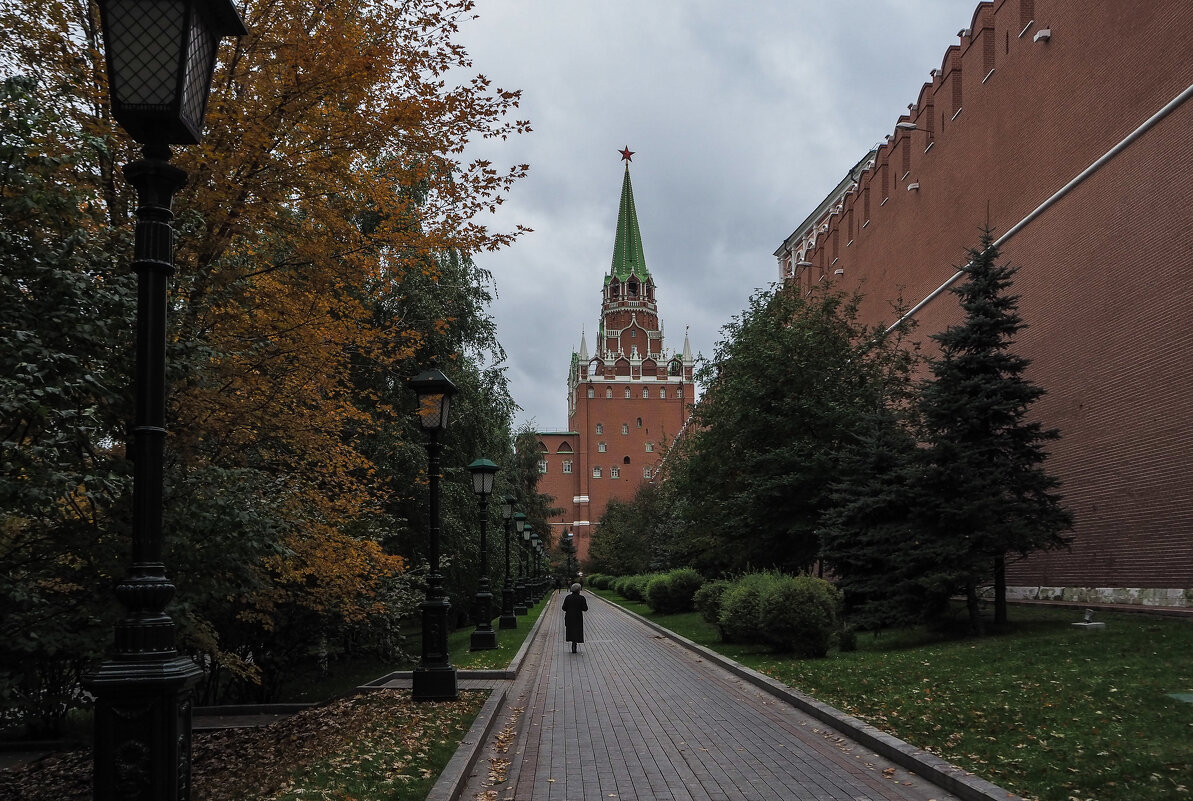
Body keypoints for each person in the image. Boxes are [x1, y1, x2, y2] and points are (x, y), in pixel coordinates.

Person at [561, 582, 588, 653]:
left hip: (569, 616)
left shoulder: (568, 597)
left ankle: (573, 642)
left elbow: (564, 608)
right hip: (578, 617)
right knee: (577, 629)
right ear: (578, 590)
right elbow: (585, 608)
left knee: (570, 629)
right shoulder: (581, 598)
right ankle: (575, 642)